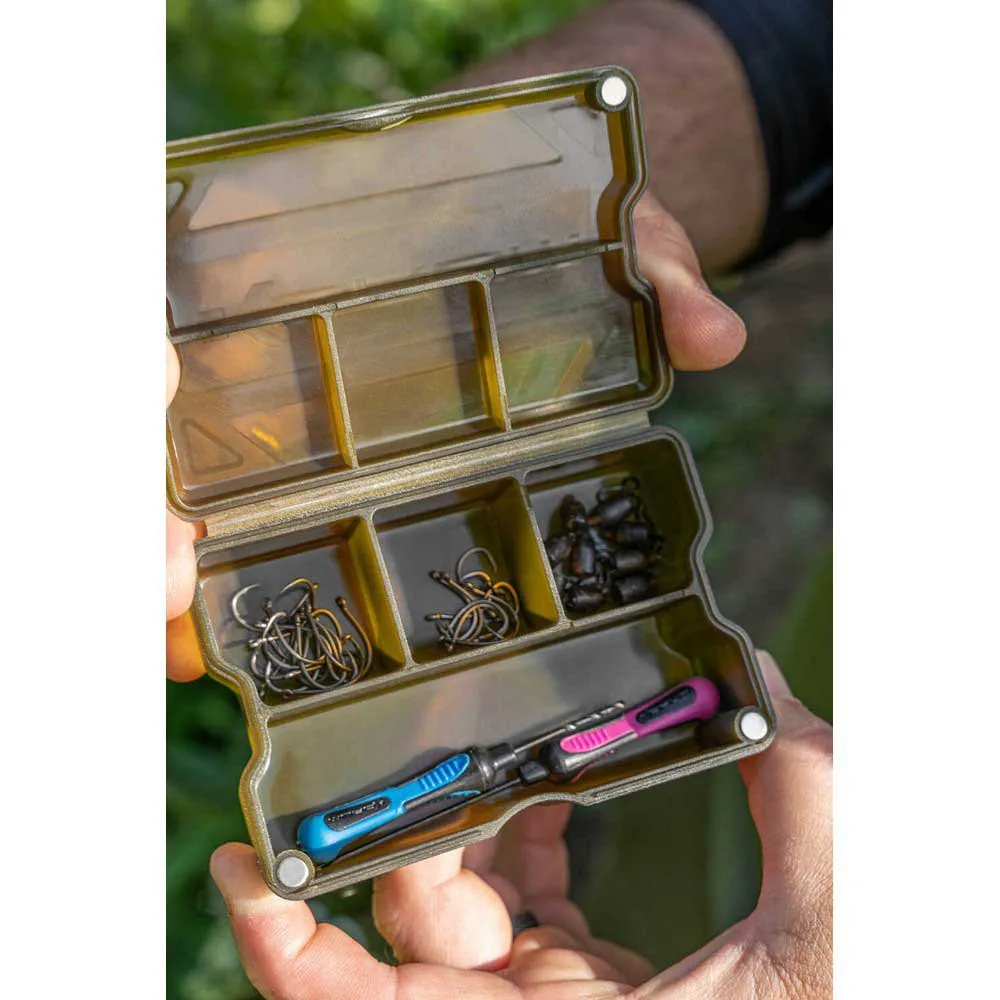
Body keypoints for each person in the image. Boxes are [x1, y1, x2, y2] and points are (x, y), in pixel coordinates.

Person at [167, 1, 832, 995]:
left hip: (785, 848)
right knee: (670, 865)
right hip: (740, 838)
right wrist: (469, 189)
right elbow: (813, 51)